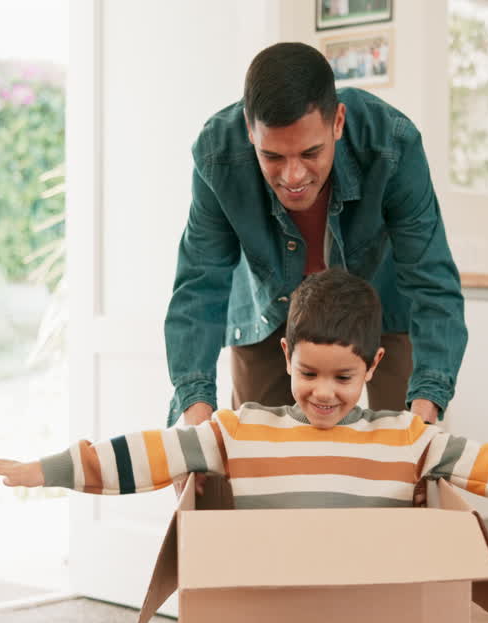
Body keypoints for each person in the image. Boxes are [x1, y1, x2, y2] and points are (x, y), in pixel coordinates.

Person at [0, 268, 488, 509]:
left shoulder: (405, 438)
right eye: (308, 374)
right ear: (285, 357)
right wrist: (45, 470)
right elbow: (146, 456)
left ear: (371, 367)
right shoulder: (241, 430)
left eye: (343, 377)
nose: (325, 393)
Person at [164, 42, 466, 431]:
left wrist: (426, 416)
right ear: (248, 130)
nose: (292, 177)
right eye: (272, 156)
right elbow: (199, 284)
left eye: (310, 153)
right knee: (253, 456)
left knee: (408, 453)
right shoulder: (216, 154)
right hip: (268, 309)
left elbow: (431, 278)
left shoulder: (392, 144)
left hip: (382, 302)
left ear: (337, 122)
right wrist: (194, 423)